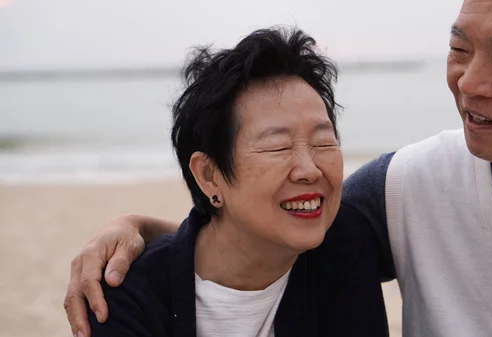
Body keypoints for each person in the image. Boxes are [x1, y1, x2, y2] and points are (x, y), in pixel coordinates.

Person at [65, 0, 492, 336]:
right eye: (459, 49)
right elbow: (261, 229)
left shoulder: (359, 239)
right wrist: (133, 230)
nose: (468, 82)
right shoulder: (409, 188)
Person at [68, 26, 389, 337]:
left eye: (323, 143)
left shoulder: (344, 249)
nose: (310, 169)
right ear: (209, 175)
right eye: (278, 146)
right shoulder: (129, 295)